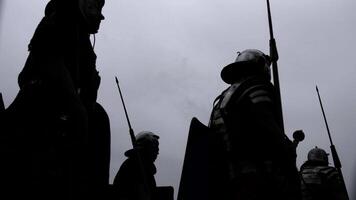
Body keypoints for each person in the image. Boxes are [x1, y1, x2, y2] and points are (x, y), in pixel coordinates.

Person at [1, 0, 108, 199]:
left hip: (65, 118)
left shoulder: (85, 47)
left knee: (98, 118)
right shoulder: (61, 21)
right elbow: (42, 66)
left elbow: (87, 91)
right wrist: (78, 110)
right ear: (84, 5)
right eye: (98, 8)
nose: (102, 16)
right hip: (41, 114)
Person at [208, 49, 300, 200]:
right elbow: (268, 129)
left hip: (226, 178)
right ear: (261, 64)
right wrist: (289, 167)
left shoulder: (223, 97)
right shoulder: (255, 87)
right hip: (256, 178)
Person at [113, 131, 160, 200]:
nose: (158, 152)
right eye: (155, 147)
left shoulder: (146, 169)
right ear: (147, 148)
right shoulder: (131, 166)